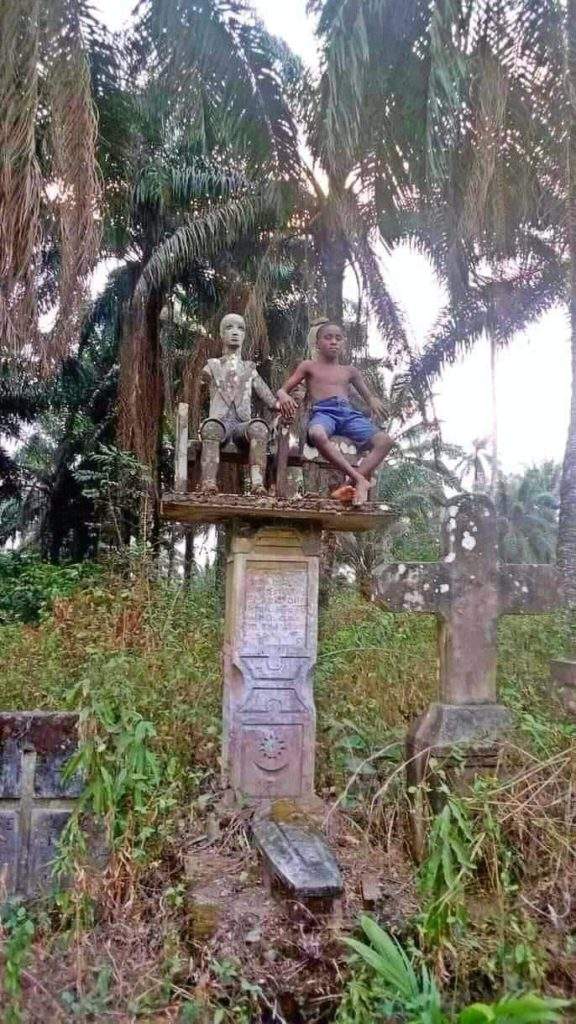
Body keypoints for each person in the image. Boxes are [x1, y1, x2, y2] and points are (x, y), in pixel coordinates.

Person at [276, 320, 393, 504]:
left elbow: (368, 396)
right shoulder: (308, 366)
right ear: (317, 343)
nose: (333, 342)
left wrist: (373, 401)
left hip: (347, 414)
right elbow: (283, 389)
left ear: (343, 343)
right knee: (315, 433)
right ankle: (359, 479)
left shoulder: (350, 371)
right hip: (324, 413)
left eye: (338, 338)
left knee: (385, 441)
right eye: (328, 337)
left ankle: (349, 483)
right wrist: (283, 396)